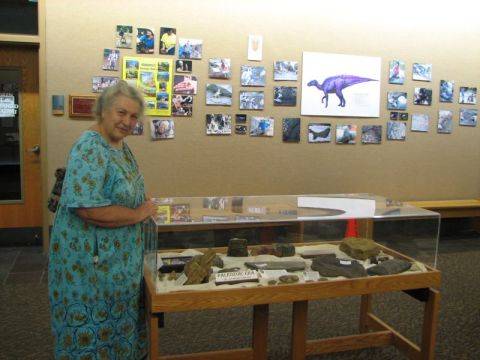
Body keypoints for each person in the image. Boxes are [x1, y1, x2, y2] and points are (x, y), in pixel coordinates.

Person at [48, 81, 158, 360]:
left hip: (117, 264)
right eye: (121, 113)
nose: (127, 121)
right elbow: (87, 209)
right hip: (90, 267)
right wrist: (138, 214)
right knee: (90, 335)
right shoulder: (90, 147)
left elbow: (124, 189)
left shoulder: (120, 145)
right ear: (104, 111)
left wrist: (141, 202)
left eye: (134, 116)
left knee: (116, 333)